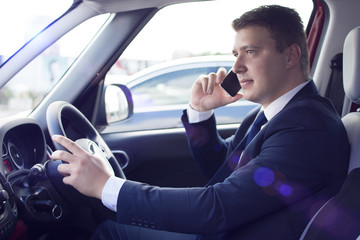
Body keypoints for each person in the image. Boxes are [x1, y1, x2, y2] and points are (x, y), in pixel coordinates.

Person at [51, 5, 350, 240]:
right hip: (229, 228)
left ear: (291, 56)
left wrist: (106, 186)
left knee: (109, 232)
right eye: (235, 54)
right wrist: (200, 113)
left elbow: (218, 206)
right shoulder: (268, 114)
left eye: (251, 51)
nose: (236, 67)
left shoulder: (307, 126)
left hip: (233, 232)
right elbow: (221, 168)